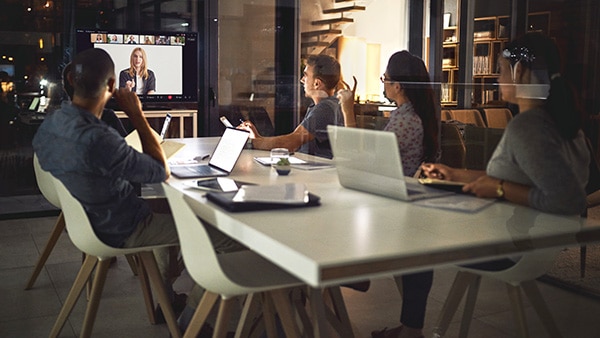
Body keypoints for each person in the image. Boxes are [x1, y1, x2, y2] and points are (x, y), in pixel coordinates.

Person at [32, 48, 184, 316]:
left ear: (69, 79)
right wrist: (137, 114)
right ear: (113, 85)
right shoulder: (100, 137)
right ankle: (194, 317)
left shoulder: (51, 126)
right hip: (121, 227)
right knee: (214, 235)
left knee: (164, 215)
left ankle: (168, 300)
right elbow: (161, 171)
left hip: (86, 222)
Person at [422, 32, 588, 216]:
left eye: (501, 69)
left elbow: (569, 200)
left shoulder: (528, 127)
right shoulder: (560, 119)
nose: (498, 79)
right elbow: (521, 180)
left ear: (519, 71)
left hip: (524, 236)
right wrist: (453, 175)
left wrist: (500, 188)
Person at [338, 51, 439, 338]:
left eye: (385, 78)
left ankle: (353, 273)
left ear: (398, 86)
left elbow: (360, 162)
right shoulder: (417, 115)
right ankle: (409, 327)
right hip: (408, 205)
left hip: (396, 211)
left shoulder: (406, 121)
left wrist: (348, 110)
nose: (383, 83)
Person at [238, 54, 344, 159]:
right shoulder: (325, 106)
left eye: (306, 75)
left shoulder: (325, 109)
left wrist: (251, 143)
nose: (302, 80)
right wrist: (257, 138)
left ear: (317, 83)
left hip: (318, 174)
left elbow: (290, 143)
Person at [62, 62, 127, 137]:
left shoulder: (54, 122)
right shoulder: (107, 118)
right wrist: (136, 114)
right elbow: (129, 145)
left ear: (64, 86)